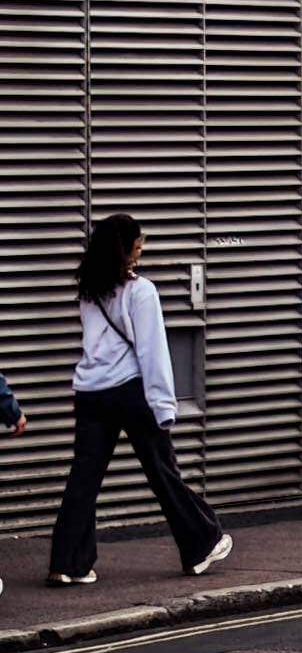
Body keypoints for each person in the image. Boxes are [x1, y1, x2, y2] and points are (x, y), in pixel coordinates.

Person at [47, 214, 228, 588]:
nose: (141, 250)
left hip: (91, 392)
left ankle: (67, 564)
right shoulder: (141, 291)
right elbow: (152, 351)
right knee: (163, 473)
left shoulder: (89, 289)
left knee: (84, 480)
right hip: (130, 391)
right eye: (138, 244)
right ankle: (201, 545)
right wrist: (164, 406)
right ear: (125, 248)